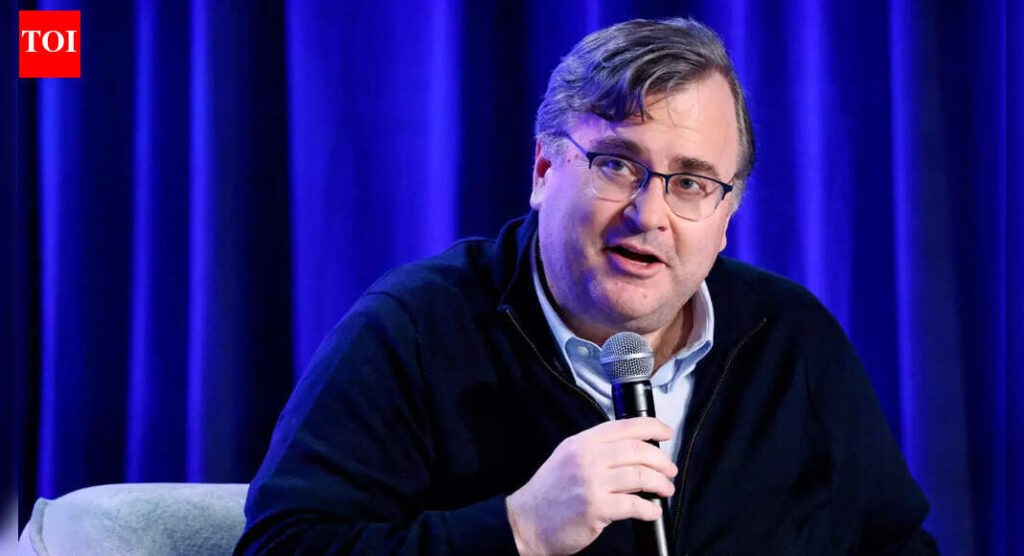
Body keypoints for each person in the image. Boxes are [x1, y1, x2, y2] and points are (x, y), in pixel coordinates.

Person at [236, 18, 937, 554]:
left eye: (691, 183)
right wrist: (518, 529)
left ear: (726, 218)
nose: (649, 214)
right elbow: (281, 547)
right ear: (544, 171)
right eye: (616, 164)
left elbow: (896, 545)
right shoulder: (415, 329)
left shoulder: (790, 336)